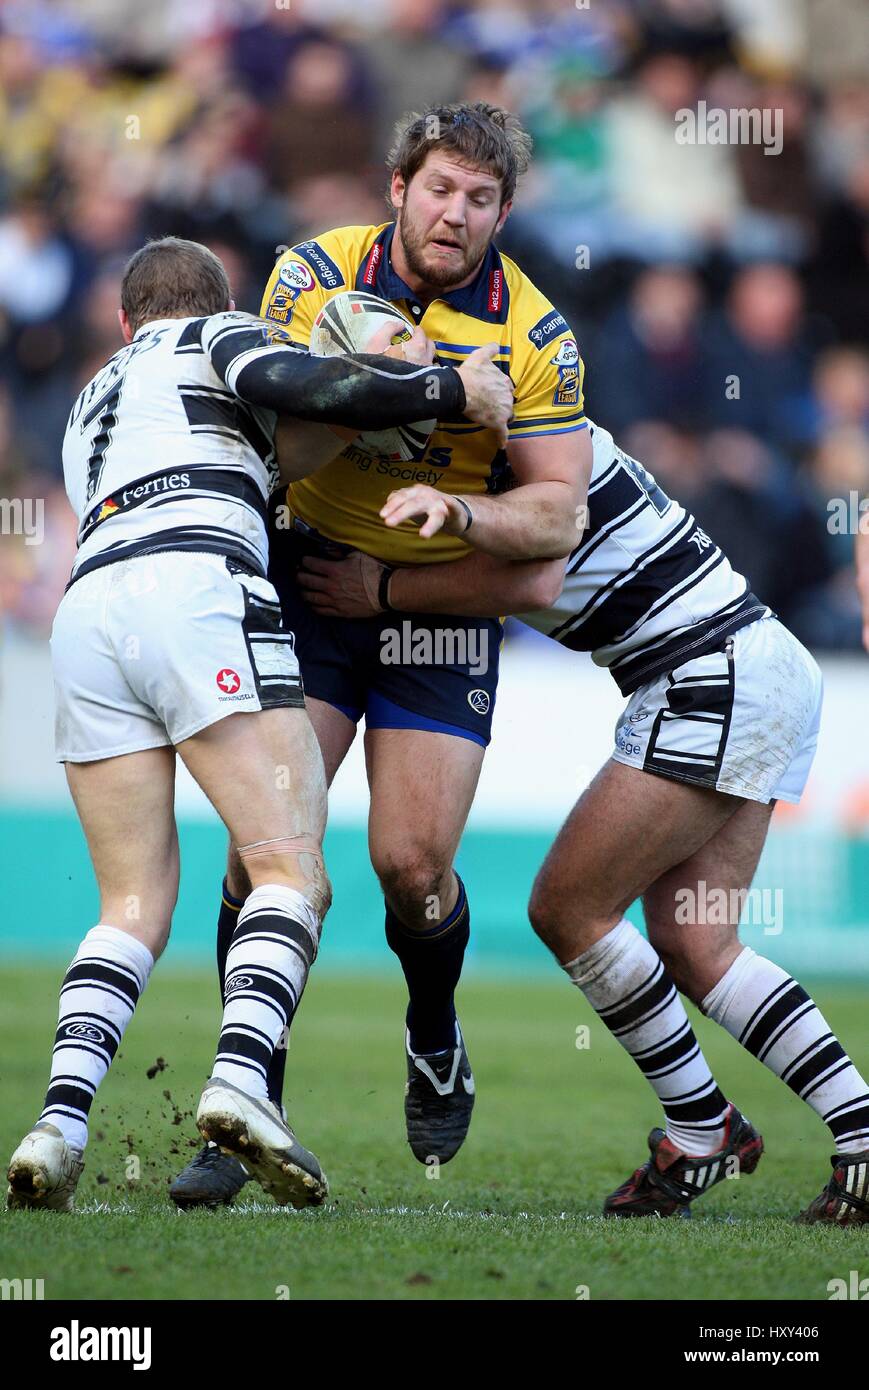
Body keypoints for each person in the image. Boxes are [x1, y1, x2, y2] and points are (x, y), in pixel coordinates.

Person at [5, 235, 512, 1212]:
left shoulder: (93, 394)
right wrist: (446, 394)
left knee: (129, 908)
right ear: (209, 304)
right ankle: (240, 1084)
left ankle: (59, 1123)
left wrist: (370, 405)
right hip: (196, 584)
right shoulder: (217, 333)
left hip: (87, 616)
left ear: (121, 319)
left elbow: (276, 442)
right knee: (289, 866)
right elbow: (288, 379)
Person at [171, 101, 592, 1207]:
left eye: (481, 200)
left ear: (502, 213)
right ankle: (240, 1097)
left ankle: (434, 1026)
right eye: (440, 189)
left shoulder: (536, 333)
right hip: (308, 580)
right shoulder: (311, 275)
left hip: (433, 606)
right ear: (396, 187)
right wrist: (421, 390)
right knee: (265, 852)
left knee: (410, 867)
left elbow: (554, 521)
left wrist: (456, 522)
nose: (456, 215)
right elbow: (277, 419)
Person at [299, 416, 869, 1226]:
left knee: (567, 906)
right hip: (753, 657)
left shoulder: (516, 449)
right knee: (698, 945)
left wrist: (379, 591)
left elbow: (529, 584)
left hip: (703, 669)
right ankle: (835, 1131)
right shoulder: (539, 429)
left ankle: (705, 1129)